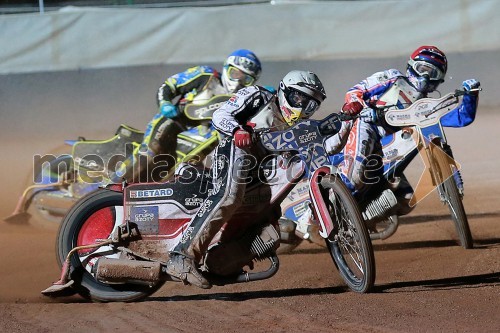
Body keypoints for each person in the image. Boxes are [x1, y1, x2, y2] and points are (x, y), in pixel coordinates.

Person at [165, 70, 327, 288]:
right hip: (232, 150)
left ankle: (217, 264)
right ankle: (181, 256)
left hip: (259, 176)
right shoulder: (258, 96)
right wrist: (238, 130)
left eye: (310, 105)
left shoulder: (297, 128)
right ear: (283, 90)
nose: (301, 108)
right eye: (298, 98)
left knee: (269, 233)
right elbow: (220, 115)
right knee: (229, 195)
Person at [327, 45, 481, 221]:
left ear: (440, 79)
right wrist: (361, 107)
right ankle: (326, 210)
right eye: (423, 69)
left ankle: (357, 223)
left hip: (389, 148)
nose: (425, 77)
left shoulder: (427, 107)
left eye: (433, 73)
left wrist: (471, 96)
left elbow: (461, 118)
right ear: (411, 67)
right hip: (367, 126)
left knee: (406, 199)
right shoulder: (391, 77)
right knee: (355, 177)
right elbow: (356, 91)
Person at [112, 49, 262, 183]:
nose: (238, 82)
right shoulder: (206, 75)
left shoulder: (243, 100)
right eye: (235, 74)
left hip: (204, 137)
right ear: (226, 68)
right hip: (173, 122)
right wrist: (165, 103)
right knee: (150, 153)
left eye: (246, 80)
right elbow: (169, 85)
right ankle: (112, 184)